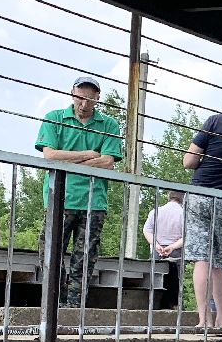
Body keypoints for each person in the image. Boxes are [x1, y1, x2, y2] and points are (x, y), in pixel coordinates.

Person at [35, 76, 122, 307]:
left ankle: (74, 307)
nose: (84, 104)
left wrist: (70, 161)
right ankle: (55, 302)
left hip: (94, 201)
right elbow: (50, 155)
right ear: (72, 94)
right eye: (80, 98)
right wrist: (89, 154)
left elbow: (108, 162)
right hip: (59, 197)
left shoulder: (109, 124)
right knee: (50, 253)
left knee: (85, 257)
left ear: (97, 99)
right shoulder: (54, 118)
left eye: (90, 100)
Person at [184, 92, 222, 328]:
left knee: (202, 259)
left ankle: (203, 319)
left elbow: (188, 161)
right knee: (217, 260)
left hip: (201, 195)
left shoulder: (216, 121)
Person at [141, 189, 185, 309]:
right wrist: (172, 246)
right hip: (176, 253)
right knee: (175, 283)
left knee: (155, 282)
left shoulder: (155, 211)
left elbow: (147, 230)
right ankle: (174, 307)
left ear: (168, 197)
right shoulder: (183, 213)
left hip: (157, 252)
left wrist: (156, 245)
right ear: (183, 199)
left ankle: (152, 307)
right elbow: (186, 235)